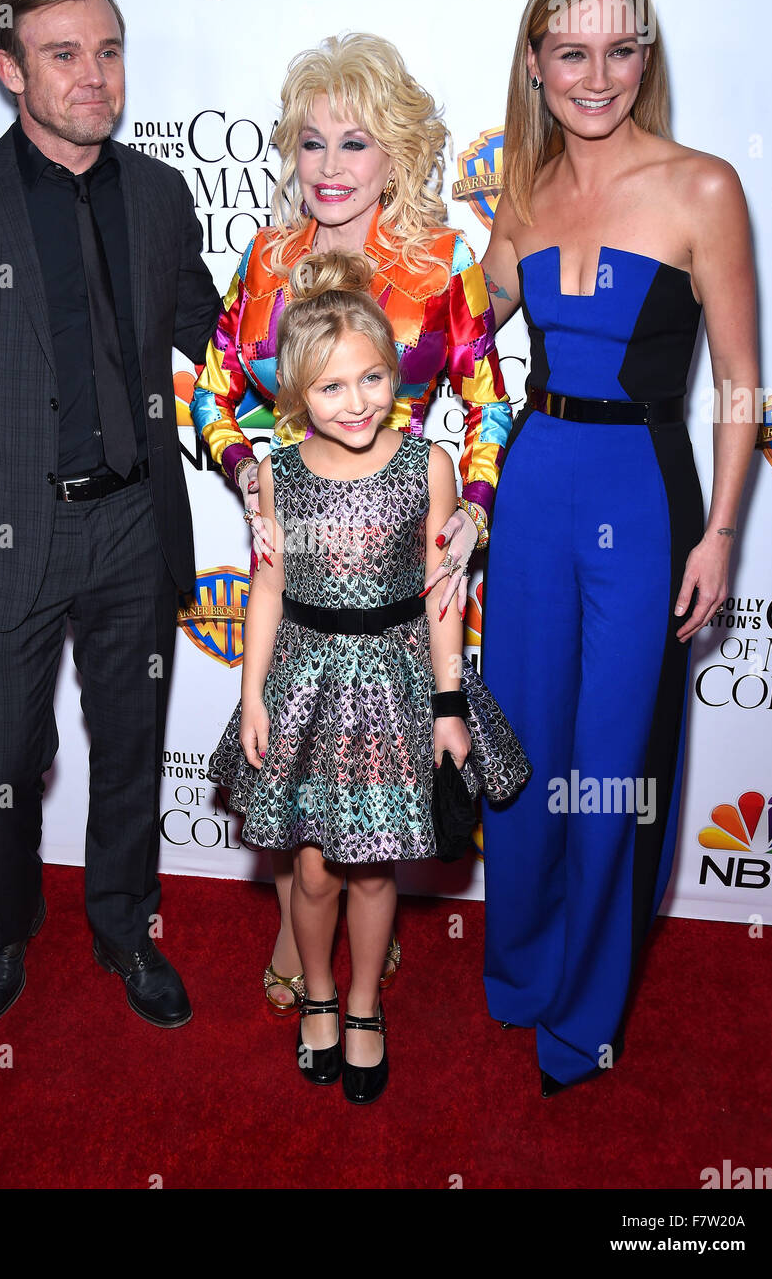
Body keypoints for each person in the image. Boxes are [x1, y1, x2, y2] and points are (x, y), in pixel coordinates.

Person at [0, 0, 220, 1028]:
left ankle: (122, 923)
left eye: (108, 51)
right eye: (64, 54)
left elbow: (211, 330)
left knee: (131, 747)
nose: (93, 76)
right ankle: (9, 920)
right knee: (0, 757)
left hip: (132, 522)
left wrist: (331, 327)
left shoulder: (159, 195)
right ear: (9, 67)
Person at [479, 0, 758, 1095]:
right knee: (526, 751)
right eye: (571, 51)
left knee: (612, 768)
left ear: (646, 55)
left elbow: (741, 382)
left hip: (643, 500)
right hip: (533, 486)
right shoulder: (521, 187)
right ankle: (521, 967)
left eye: (620, 48)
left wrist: (725, 535)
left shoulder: (703, 188)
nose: (598, 75)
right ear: (536, 62)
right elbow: (451, 332)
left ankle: (585, 1011)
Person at [191, 33, 512, 1012]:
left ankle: (352, 947)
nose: (328, 167)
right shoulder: (267, 256)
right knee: (289, 753)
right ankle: (300, 926)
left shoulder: (438, 261)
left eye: (355, 144)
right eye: (312, 142)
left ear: (398, 154)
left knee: (376, 766)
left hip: (405, 548)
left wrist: (476, 510)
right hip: (297, 548)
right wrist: (248, 472)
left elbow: (490, 400)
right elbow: (211, 389)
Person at [207, 251, 528, 1103]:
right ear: (297, 396)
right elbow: (268, 587)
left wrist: (449, 705)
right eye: (332, 387)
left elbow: (441, 596)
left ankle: (360, 1004)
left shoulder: (427, 467)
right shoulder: (277, 474)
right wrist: (250, 692)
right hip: (305, 682)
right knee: (312, 868)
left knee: (377, 867)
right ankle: (316, 990)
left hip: (394, 681)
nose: (358, 402)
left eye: (374, 377)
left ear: (396, 372)